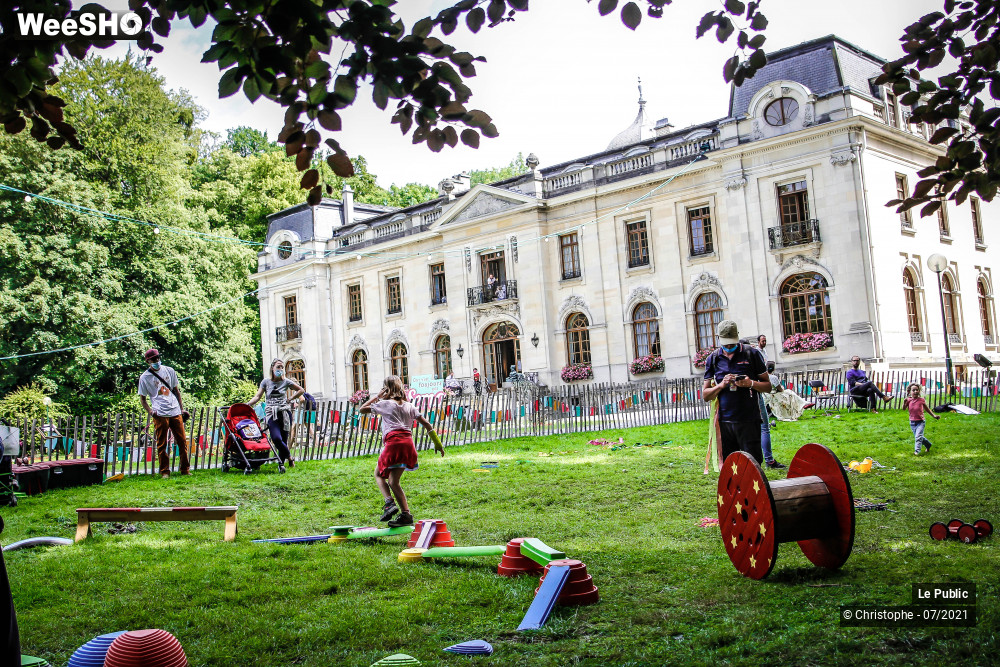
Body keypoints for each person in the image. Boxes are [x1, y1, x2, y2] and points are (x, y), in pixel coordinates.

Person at [360, 375, 440, 527]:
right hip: (408, 445)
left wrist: (377, 396)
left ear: (386, 389)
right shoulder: (409, 406)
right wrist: (437, 444)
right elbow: (427, 425)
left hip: (393, 443)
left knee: (378, 474)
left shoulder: (384, 404)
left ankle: (389, 503)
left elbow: (362, 409)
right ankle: (406, 515)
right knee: (393, 481)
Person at [702, 320, 771, 465]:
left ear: (737, 337)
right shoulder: (713, 358)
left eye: (732, 343)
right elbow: (706, 395)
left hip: (749, 420)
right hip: (725, 422)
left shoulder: (751, 354)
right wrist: (721, 385)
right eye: (725, 343)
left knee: (752, 465)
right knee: (731, 467)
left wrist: (750, 383)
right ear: (718, 338)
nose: (728, 347)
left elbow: (768, 386)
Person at [137, 348, 191, 479]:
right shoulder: (144, 377)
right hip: (160, 412)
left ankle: (185, 469)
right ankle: (165, 472)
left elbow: (176, 391)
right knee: (162, 444)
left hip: (174, 410)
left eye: (157, 358)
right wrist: (151, 412)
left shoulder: (169, 370)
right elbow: (143, 399)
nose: (157, 361)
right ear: (148, 361)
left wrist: (181, 409)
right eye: (153, 359)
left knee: (182, 441)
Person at [248, 359, 304, 470]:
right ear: (272, 368)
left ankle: (281, 464)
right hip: (271, 414)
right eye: (278, 367)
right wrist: (247, 404)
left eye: (282, 367)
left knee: (283, 439)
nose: (280, 369)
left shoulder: (286, 382)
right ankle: (290, 457)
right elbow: (258, 396)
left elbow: (301, 390)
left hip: (284, 413)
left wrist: (291, 398)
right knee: (276, 438)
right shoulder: (266, 382)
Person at [903, 383, 939, 455]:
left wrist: (934, 416)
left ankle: (917, 451)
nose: (915, 391)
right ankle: (928, 445)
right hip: (912, 422)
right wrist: (904, 403)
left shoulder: (921, 400)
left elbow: (927, 409)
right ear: (910, 392)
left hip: (921, 422)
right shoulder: (908, 400)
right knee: (919, 437)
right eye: (913, 390)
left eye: (917, 390)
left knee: (918, 437)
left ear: (919, 391)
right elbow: (904, 409)